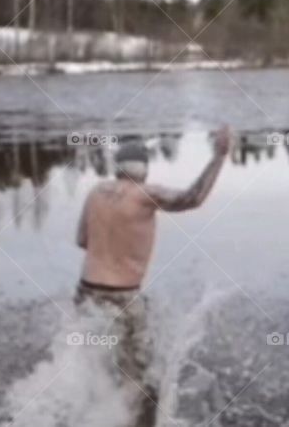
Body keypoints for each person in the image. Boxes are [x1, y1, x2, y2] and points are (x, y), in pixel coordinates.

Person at [74, 126, 231, 426]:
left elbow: (83, 240)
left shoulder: (95, 192)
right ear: (144, 169)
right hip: (122, 297)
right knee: (142, 378)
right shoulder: (146, 194)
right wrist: (218, 157)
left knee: (95, 366)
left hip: (86, 291)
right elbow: (192, 198)